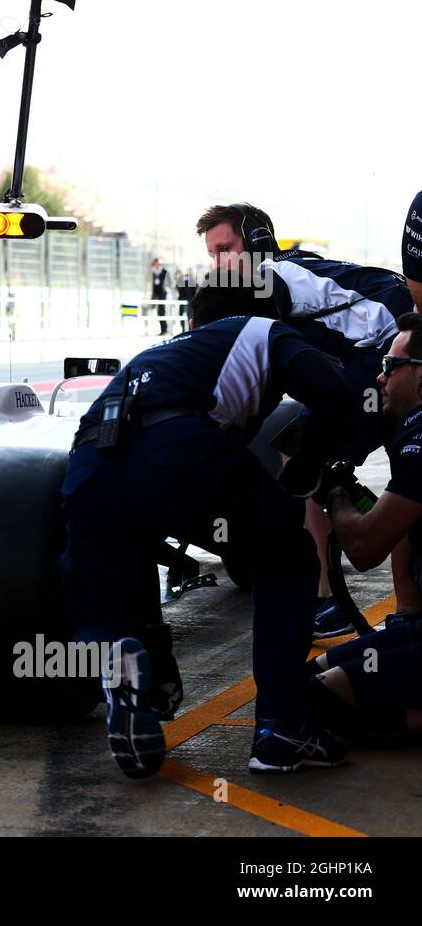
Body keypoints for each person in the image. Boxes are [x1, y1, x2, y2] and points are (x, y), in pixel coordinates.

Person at [62, 290, 358, 780]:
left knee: (107, 583)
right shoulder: (264, 330)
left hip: (90, 461)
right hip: (175, 444)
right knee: (288, 555)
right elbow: (333, 392)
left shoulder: (162, 354)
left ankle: (132, 668)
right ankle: (283, 729)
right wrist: (305, 470)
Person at [196, 202, 418, 637]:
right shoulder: (301, 268)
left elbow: (237, 347)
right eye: (212, 255)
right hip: (398, 351)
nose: (219, 264)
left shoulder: (267, 277)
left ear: (257, 241)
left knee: (298, 451)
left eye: (226, 249)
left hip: (389, 355)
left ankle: (324, 596)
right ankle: (406, 609)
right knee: (406, 482)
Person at [306, 313, 422, 739]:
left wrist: (335, 492)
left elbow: (366, 548)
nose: (380, 375)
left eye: (391, 366)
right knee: (303, 680)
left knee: (313, 702)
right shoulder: (409, 429)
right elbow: (405, 529)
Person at [149, 258, 170, 335]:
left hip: (163, 295)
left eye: (159, 264)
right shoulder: (154, 273)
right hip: (156, 295)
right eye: (156, 264)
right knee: (158, 312)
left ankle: (165, 329)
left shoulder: (164, 272)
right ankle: (162, 329)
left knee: (162, 312)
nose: (157, 266)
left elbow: (168, 284)